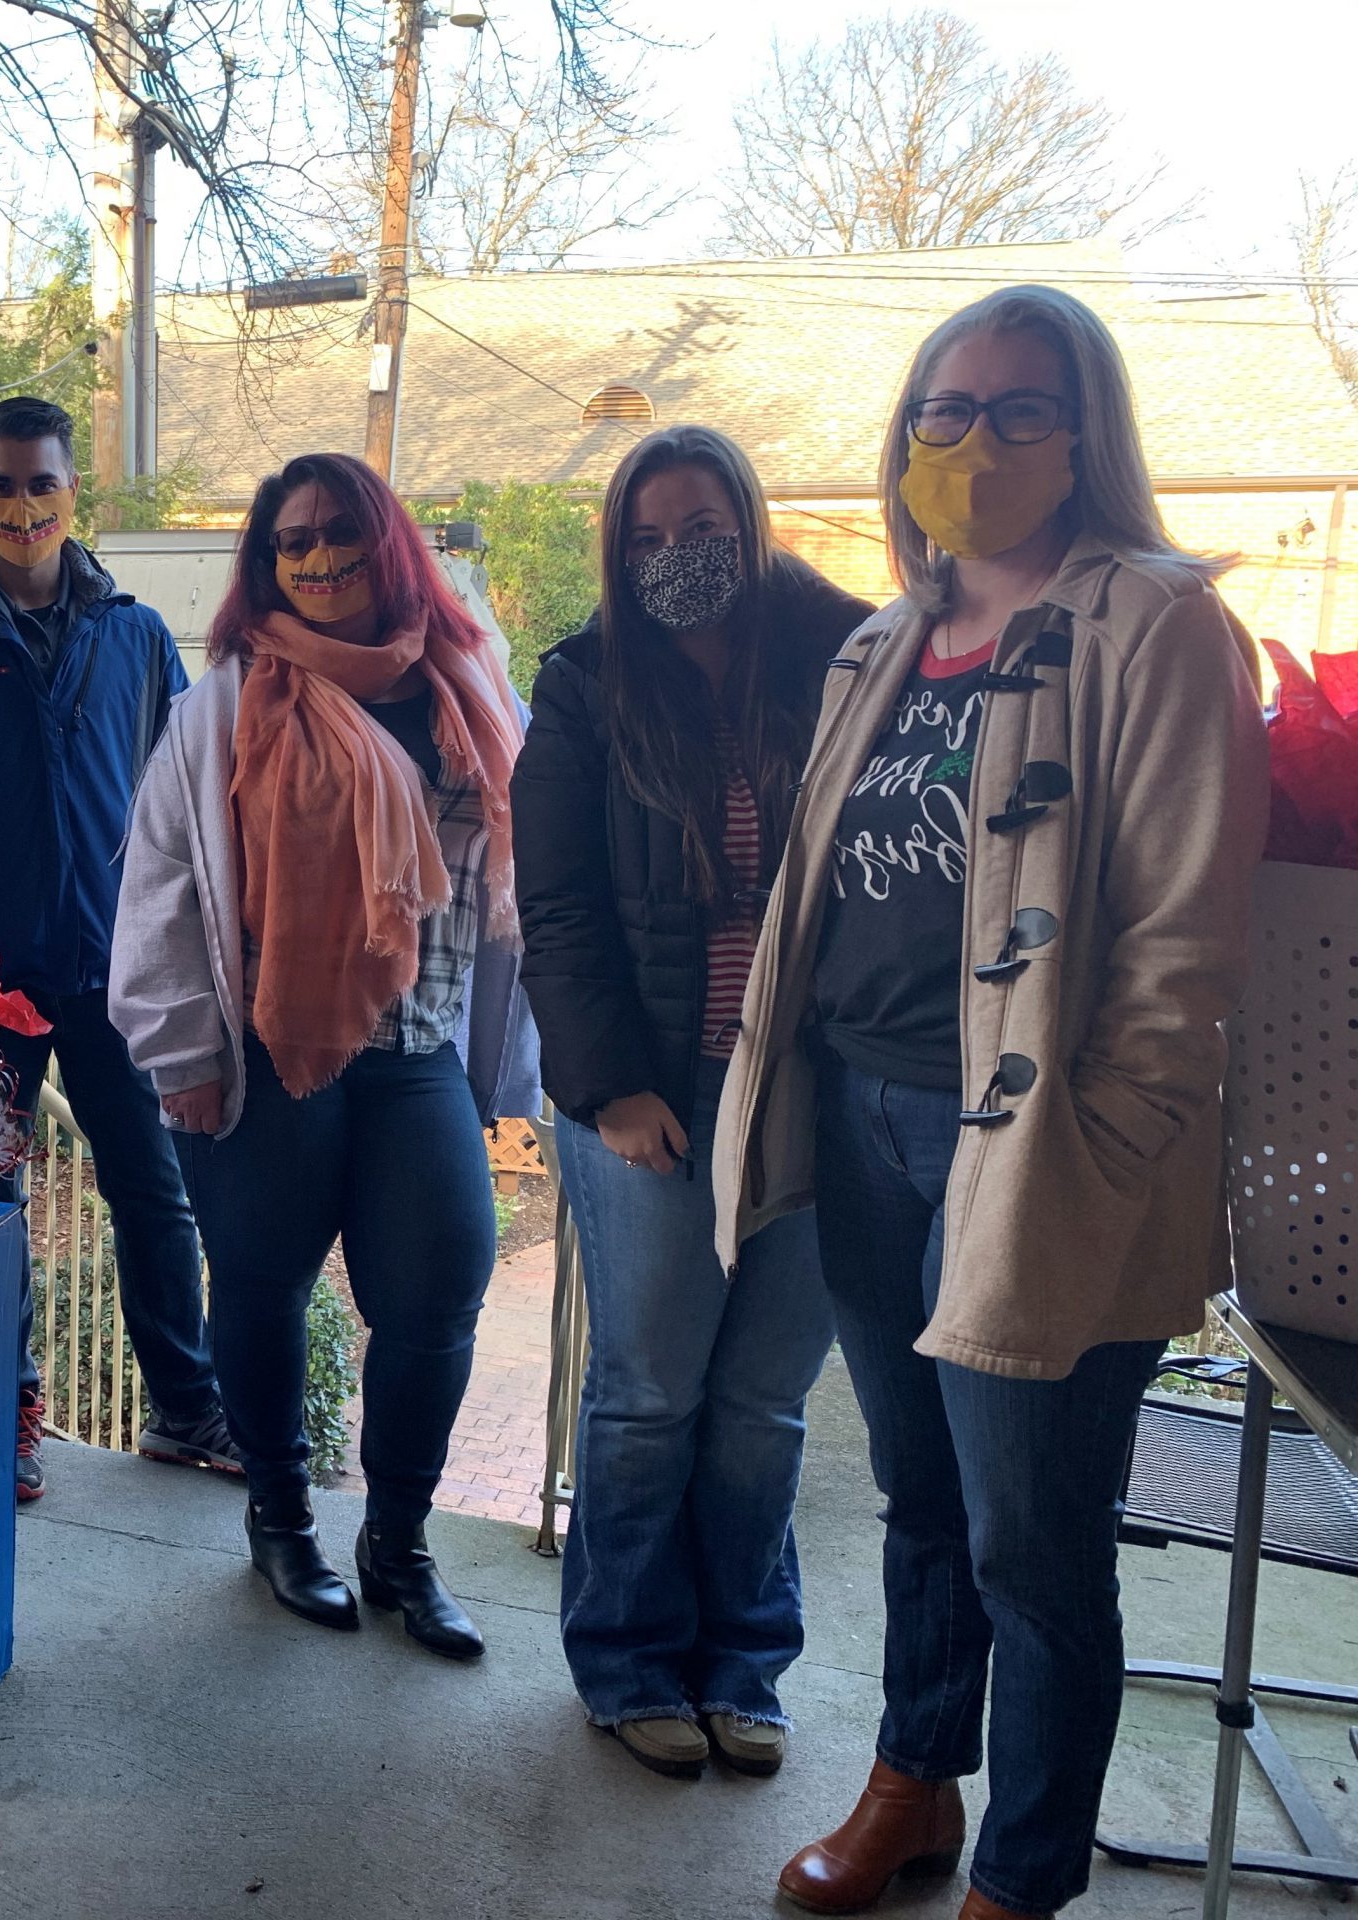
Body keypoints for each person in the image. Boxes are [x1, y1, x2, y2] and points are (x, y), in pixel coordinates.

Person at [713, 288, 1268, 1920]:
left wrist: (1106, 1146)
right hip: (872, 1128)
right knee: (922, 1499)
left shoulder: (1154, 621)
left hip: (1040, 1160)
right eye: (943, 413)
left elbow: (1183, 932)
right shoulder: (884, 642)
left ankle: (1022, 1881)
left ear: (1086, 434)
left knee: (1038, 1544)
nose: (974, 442)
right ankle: (914, 1786)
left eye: (1021, 410)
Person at [109, 451, 538, 1660]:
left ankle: (395, 1543)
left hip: (421, 1047)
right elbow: (160, 886)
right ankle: (281, 1517)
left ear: (386, 538)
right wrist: (177, 1047)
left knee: (439, 1295)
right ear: (265, 565)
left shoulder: (470, 681)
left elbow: (526, 870)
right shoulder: (227, 702)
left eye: (339, 529)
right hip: (268, 1045)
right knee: (257, 1286)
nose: (317, 556)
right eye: (289, 541)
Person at [513, 426, 871, 1781]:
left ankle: (743, 1665)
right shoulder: (588, 683)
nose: (677, 557)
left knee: (764, 1400)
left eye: (703, 527)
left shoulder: (847, 659)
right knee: (652, 1387)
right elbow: (555, 909)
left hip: (814, 1092)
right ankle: (628, 1661)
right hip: (651, 1097)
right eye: (648, 538)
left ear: (750, 521)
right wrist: (610, 1089)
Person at [0, 394, 236, 1503]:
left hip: (119, 974)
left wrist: (175, 934)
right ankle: (4, 1416)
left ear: (74, 493)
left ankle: (185, 1411)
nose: (23, 504)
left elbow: (182, 799)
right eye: (2, 484)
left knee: (153, 1192)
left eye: (42, 482)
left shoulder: (135, 634)